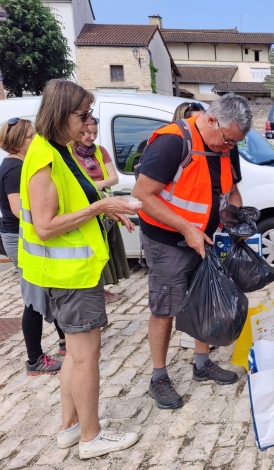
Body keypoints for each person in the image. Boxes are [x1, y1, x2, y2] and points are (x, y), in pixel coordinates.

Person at [19, 79, 140, 458]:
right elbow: (46, 224)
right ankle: (92, 436)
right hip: (70, 276)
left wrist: (109, 208)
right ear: (60, 114)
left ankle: (70, 428)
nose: (88, 121)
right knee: (86, 356)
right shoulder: (45, 158)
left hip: (72, 272)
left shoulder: (60, 151)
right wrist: (100, 209)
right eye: (82, 114)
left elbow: (84, 195)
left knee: (75, 354)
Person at [132, 93, 251, 410]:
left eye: (232, 144)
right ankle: (158, 376)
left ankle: (202, 363)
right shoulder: (172, 142)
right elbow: (143, 195)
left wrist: (233, 219)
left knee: (204, 300)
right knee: (165, 307)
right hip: (167, 240)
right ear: (212, 120)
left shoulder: (227, 144)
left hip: (206, 238)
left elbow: (232, 191)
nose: (228, 148)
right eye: (226, 141)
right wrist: (187, 228)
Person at [0, 118, 64, 375]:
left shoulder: (19, 164)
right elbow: (17, 210)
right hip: (20, 238)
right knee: (34, 299)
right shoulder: (15, 167)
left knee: (48, 289)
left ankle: (65, 341)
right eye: (29, 136)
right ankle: (34, 360)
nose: (34, 139)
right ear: (16, 142)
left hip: (24, 236)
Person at [70, 118, 129, 303]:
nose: (92, 137)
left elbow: (113, 178)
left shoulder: (100, 151)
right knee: (93, 247)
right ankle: (97, 290)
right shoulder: (70, 152)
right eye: (88, 133)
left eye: (95, 133)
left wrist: (98, 185)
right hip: (86, 207)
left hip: (104, 203)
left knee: (108, 246)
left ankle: (104, 287)